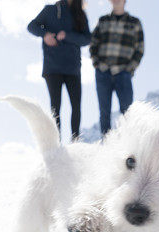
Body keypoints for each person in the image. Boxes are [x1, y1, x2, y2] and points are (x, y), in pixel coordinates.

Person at [27, 0, 91, 141]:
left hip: (73, 68)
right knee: (55, 107)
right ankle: (56, 143)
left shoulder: (80, 14)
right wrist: (45, 35)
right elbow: (31, 26)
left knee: (76, 106)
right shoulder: (49, 10)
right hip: (52, 67)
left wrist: (67, 36)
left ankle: (75, 141)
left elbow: (87, 39)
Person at [90, 0, 144, 136]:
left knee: (128, 112)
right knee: (104, 112)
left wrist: (129, 69)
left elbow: (140, 49)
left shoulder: (134, 22)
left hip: (123, 74)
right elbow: (93, 44)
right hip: (103, 73)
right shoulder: (103, 20)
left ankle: (130, 146)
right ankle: (107, 146)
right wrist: (97, 64)